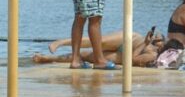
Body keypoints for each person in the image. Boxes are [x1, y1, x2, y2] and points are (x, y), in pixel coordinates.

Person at [34, 29, 164, 68]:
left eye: (158, 40)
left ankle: (48, 58)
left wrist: (146, 44)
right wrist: (146, 41)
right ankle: (62, 42)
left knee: (86, 56)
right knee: (98, 42)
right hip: (130, 39)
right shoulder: (147, 43)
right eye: (156, 38)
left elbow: (131, 60)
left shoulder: (152, 55)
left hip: (121, 56)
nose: (156, 40)